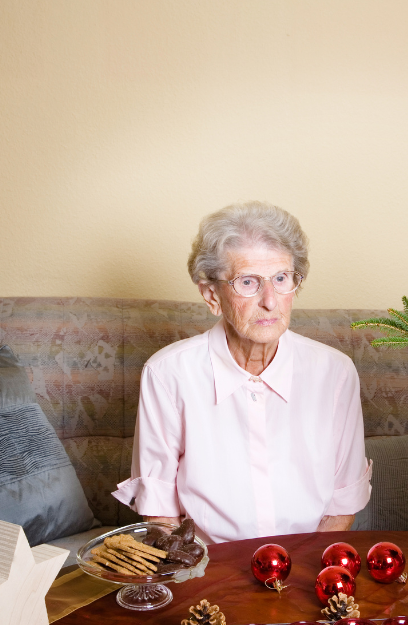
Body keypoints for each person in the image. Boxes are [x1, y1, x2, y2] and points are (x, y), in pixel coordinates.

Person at [112, 201, 372, 544]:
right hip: (209, 570)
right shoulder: (167, 374)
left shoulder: (335, 373)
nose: (269, 300)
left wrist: (298, 572)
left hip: (307, 565)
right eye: (248, 281)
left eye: (281, 279)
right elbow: (160, 510)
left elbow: (342, 502)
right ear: (212, 296)